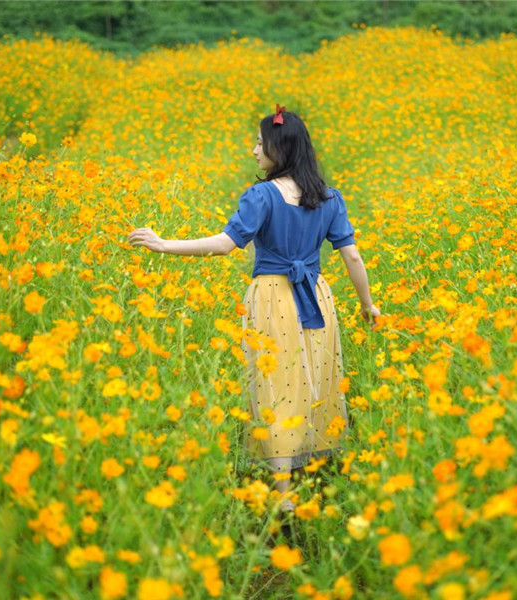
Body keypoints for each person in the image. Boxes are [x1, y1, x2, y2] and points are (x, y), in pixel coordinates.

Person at [127, 104, 380, 519]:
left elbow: (226, 244)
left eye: (260, 143)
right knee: (311, 381)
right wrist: (368, 306)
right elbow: (352, 258)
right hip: (317, 296)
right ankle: (311, 476)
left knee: (275, 385)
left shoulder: (261, 195)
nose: (254, 150)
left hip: (272, 297)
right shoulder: (330, 198)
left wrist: (163, 244)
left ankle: (282, 493)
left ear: (279, 149)